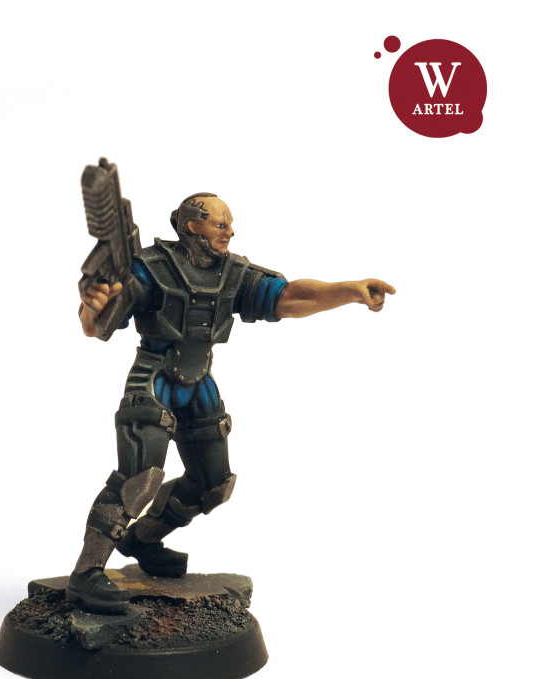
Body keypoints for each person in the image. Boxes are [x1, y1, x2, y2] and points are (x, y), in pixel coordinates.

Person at [67, 193, 395, 614]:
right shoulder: (152, 267)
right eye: (221, 225)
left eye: (230, 225)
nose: (230, 233)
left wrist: (348, 291)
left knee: (213, 484)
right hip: (153, 379)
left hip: (199, 383)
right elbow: (98, 321)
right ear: (193, 226)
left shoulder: (233, 274)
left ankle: (143, 538)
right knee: (139, 480)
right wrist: (92, 306)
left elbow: (288, 296)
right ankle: (86, 574)